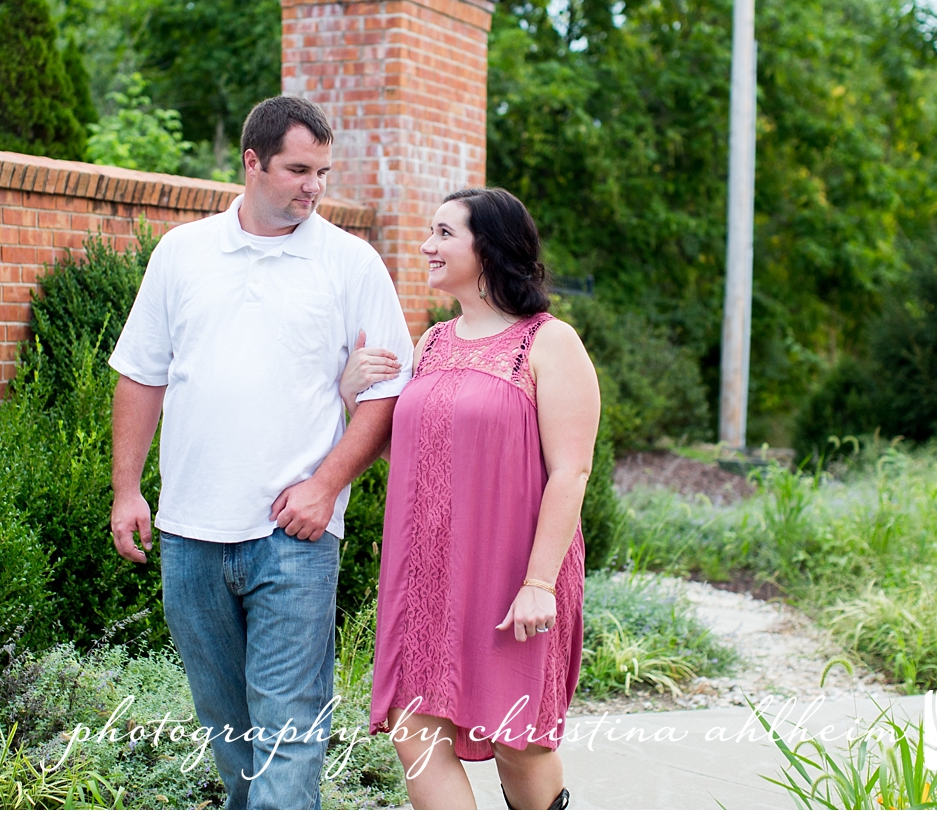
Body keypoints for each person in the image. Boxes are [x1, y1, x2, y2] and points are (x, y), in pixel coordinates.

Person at [107, 95, 414, 809]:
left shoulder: (350, 262)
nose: (314, 186)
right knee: (229, 732)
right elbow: (142, 373)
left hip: (294, 536)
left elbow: (388, 392)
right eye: (298, 169)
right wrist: (128, 490)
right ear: (252, 162)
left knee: (289, 731)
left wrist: (325, 487)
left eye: (323, 173)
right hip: (190, 533)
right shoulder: (183, 252)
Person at [342, 187, 599, 810]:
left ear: (490, 248)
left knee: (516, 736)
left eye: (444, 233)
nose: (427, 245)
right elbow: (412, 453)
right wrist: (353, 395)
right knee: (413, 728)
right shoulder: (430, 342)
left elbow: (572, 470)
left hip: (515, 571)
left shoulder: (548, 341)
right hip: (427, 570)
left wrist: (539, 581)